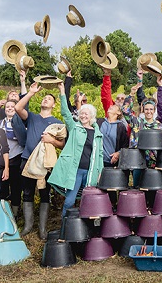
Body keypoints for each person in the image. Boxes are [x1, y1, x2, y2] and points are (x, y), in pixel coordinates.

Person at [14, 76, 66, 239]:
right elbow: (18, 108)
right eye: (44, 98)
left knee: (45, 194)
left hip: (46, 163)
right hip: (27, 160)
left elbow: (62, 144)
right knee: (27, 193)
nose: (45, 99)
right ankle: (28, 227)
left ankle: (42, 230)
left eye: (49, 98)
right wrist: (31, 93)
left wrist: (52, 141)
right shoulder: (32, 117)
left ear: (54, 105)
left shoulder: (57, 123)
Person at [49, 82, 104, 218]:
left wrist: (100, 172)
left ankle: (83, 228)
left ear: (92, 116)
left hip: (90, 172)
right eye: (81, 113)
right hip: (76, 171)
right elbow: (65, 113)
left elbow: (100, 155)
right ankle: (65, 227)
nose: (83, 116)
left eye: (86, 114)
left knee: (88, 203)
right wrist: (62, 92)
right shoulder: (74, 127)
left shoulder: (97, 134)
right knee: (69, 201)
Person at [0, 98, 27, 218]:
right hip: (1, 160)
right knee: (2, 188)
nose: (9, 108)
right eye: (7, 107)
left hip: (17, 157)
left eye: (12, 106)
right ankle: (2, 214)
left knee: (16, 188)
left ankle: (14, 215)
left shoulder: (21, 123)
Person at [129, 98, 162, 172]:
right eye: (146, 109)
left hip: (155, 163)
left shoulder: (161, 127)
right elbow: (125, 111)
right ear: (143, 110)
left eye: (151, 109)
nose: (149, 112)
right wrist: (131, 96)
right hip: (138, 161)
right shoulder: (137, 122)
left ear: (154, 111)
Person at [97, 102, 129, 168]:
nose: (111, 106)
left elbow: (125, 145)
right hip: (97, 161)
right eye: (111, 106)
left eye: (114, 106)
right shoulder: (99, 121)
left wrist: (118, 153)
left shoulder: (121, 126)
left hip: (111, 162)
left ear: (118, 113)